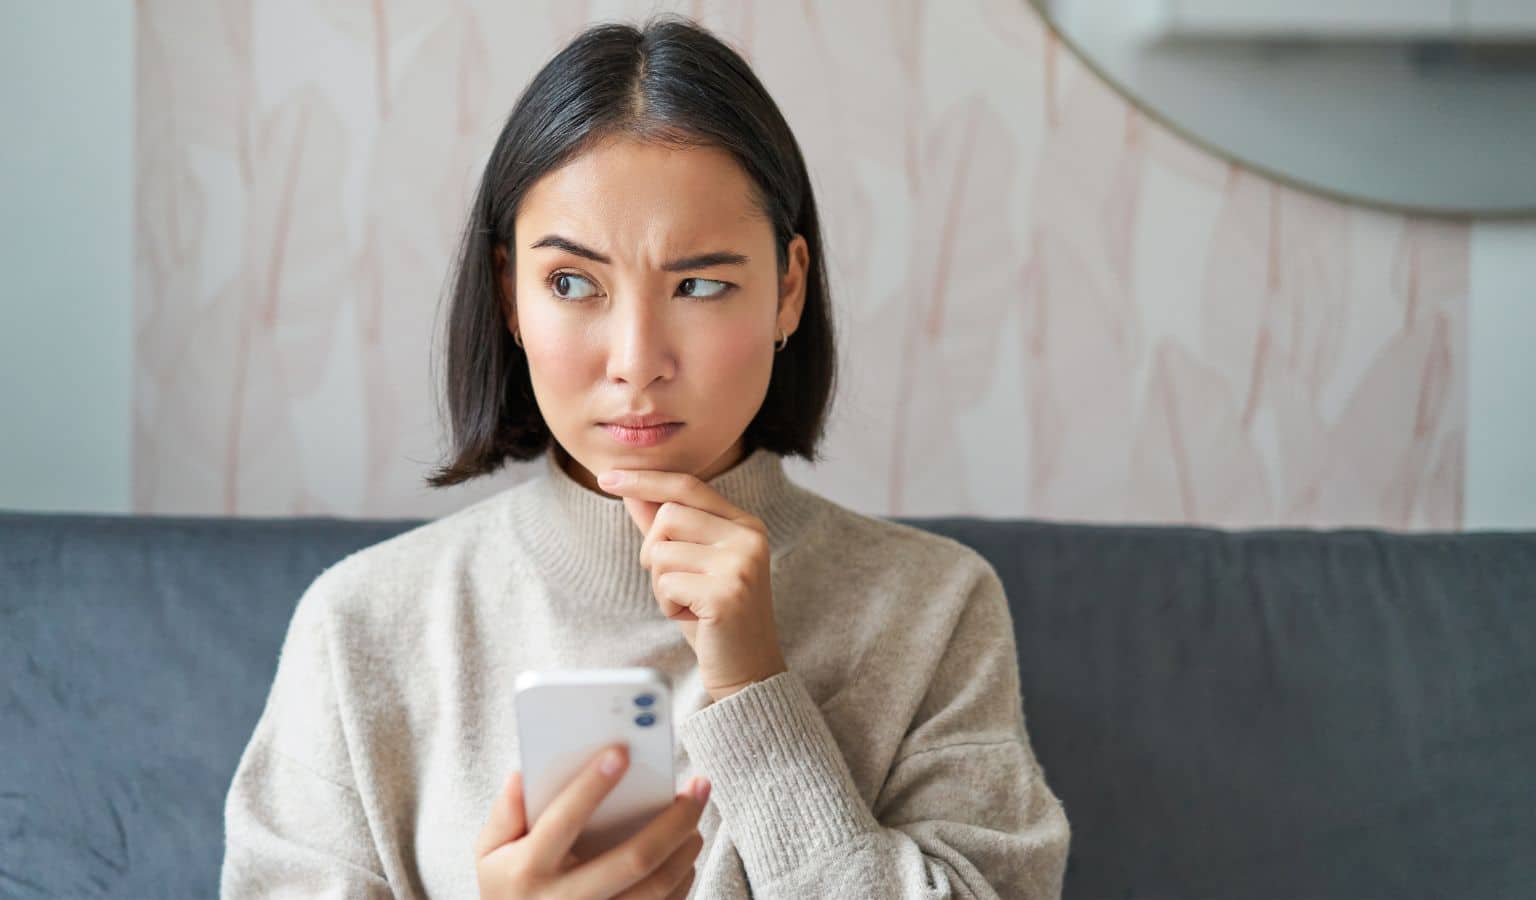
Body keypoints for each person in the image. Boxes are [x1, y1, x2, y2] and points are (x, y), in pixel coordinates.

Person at [221, 14, 1070, 899]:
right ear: (510, 294)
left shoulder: (935, 610)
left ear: (788, 289)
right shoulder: (362, 626)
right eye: (572, 284)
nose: (635, 359)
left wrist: (755, 689)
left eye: (700, 284)